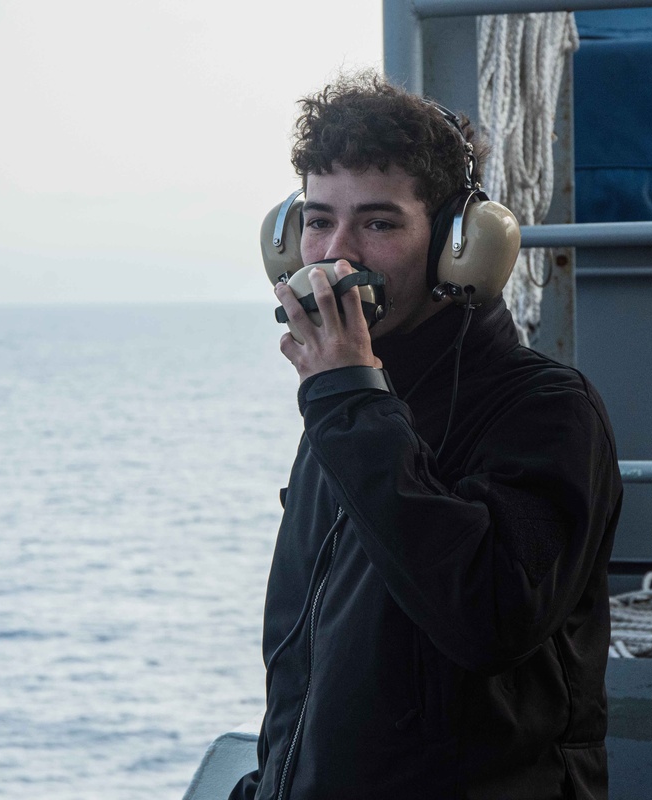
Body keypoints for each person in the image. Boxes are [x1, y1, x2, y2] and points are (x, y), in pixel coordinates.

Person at [230, 72, 622, 799]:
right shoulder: (344, 405)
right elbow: (311, 668)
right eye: (318, 220)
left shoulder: (547, 410)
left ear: (456, 247)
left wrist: (349, 398)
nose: (335, 255)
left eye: (378, 224)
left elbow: (487, 619)